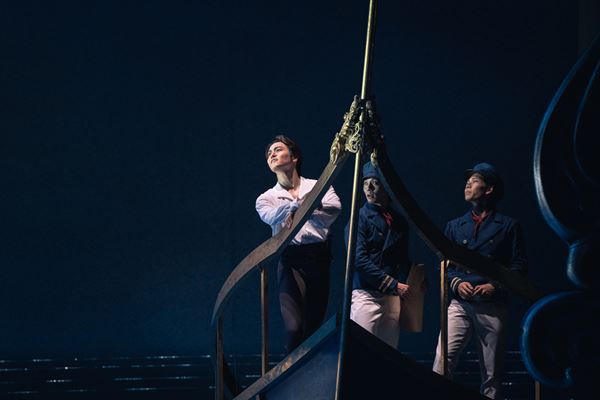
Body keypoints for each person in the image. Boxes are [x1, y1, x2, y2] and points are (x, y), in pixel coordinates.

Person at [432, 162, 528, 399]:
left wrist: (494, 286)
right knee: (442, 362)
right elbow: (445, 266)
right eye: (468, 181)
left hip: (492, 305)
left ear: (489, 189)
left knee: (492, 374)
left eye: (474, 180)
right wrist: (457, 283)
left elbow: (519, 266)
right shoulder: (455, 226)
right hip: (460, 304)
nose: (468, 184)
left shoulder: (508, 226)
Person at [255, 135, 342, 353]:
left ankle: (308, 369)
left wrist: (299, 207)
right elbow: (272, 216)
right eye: (269, 153)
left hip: (319, 257)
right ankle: (289, 368)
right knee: (294, 328)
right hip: (291, 260)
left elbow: (334, 208)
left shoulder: (318, 185)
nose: (272, 155)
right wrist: (301, 207)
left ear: (294, 157)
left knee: (313, 327)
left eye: (277, 150)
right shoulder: (266, 198)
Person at [345, 161, 412, 349]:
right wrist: (393, 284)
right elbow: (358, 260)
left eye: (375, 182)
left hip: (392, 297)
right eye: (365, 183)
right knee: (361, 351)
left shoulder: (399, 221)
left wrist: (414, 281)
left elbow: (402, 259)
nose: (369, 188)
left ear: (386, 186)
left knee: (388, 353)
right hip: (366, 294)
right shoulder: (359, 218)